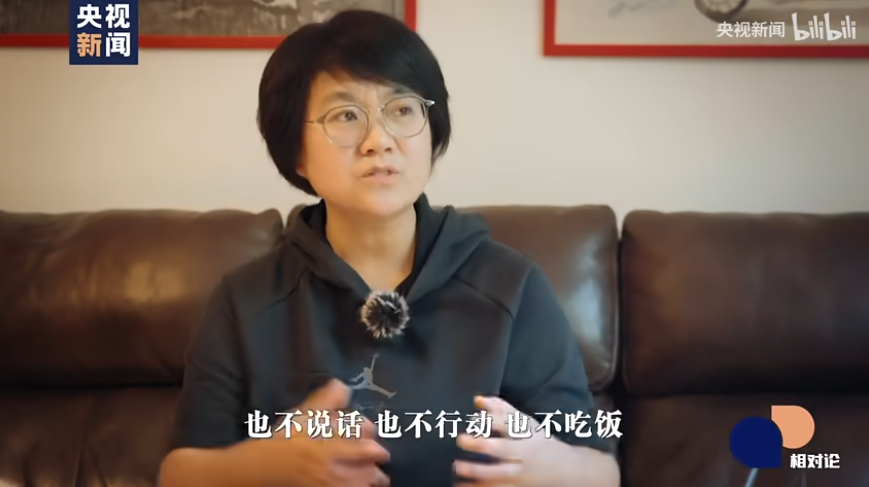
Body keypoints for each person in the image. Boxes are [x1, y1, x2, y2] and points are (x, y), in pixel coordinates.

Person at [157, 9, 620, 487]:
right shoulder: (246, 300)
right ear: (296, 152)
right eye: (346, 116)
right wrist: (264, 466)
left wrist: (554, 468)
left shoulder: (511, 286)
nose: (379, 141)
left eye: (402, 110)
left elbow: (602, 471)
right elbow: (178, 473)